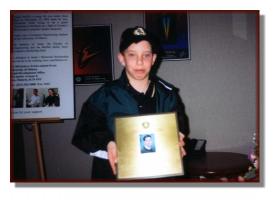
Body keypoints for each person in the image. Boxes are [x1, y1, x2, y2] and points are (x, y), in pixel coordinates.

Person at [72, 26, 189, 179]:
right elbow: (84, 134)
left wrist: (178, 136)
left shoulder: (168, 94)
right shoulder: (104, 96)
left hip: (159, 175)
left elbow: (180, 123)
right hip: (116, 175)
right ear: (122, 58)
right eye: (132, 55)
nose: (140, 62)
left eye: (146, 55)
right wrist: (108, 143)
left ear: (153, 59)